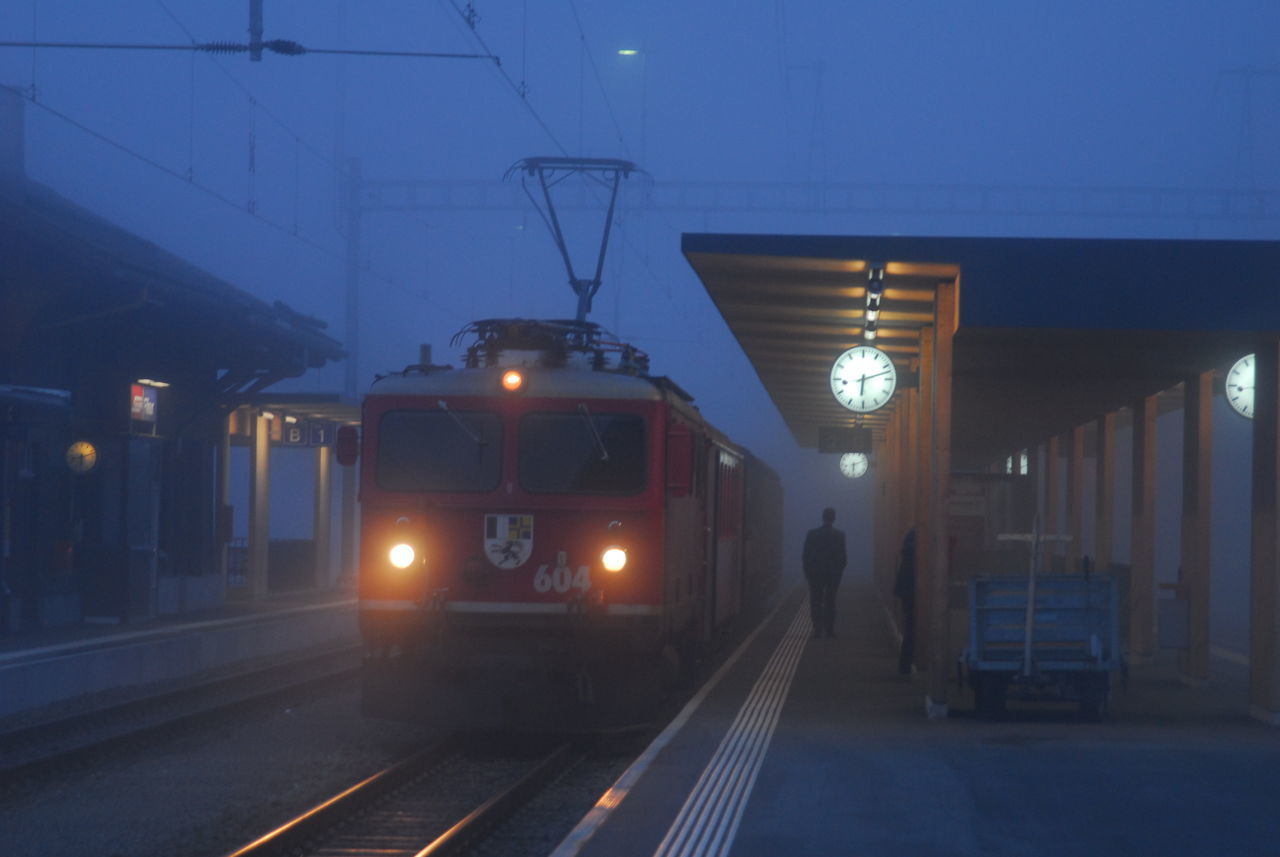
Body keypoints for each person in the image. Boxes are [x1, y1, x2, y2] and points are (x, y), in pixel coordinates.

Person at [802, 507, 846, 639]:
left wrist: (808, 573)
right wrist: (838, 574)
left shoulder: (812, 534)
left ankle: (817, 629)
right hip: (832, 575)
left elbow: (805, 556)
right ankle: (829, 630)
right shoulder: (839, 536)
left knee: (816, 601)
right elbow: (843, 559)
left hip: (815, 574)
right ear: (834, 518)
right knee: (830, 601)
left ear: (823, 517)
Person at [894, 528, 917, 674]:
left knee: (910, 627)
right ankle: (906, 666)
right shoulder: (921, 543)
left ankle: (904, 666)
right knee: (912, 628)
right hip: (913, 590)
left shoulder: (910, 538)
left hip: (906, 590)